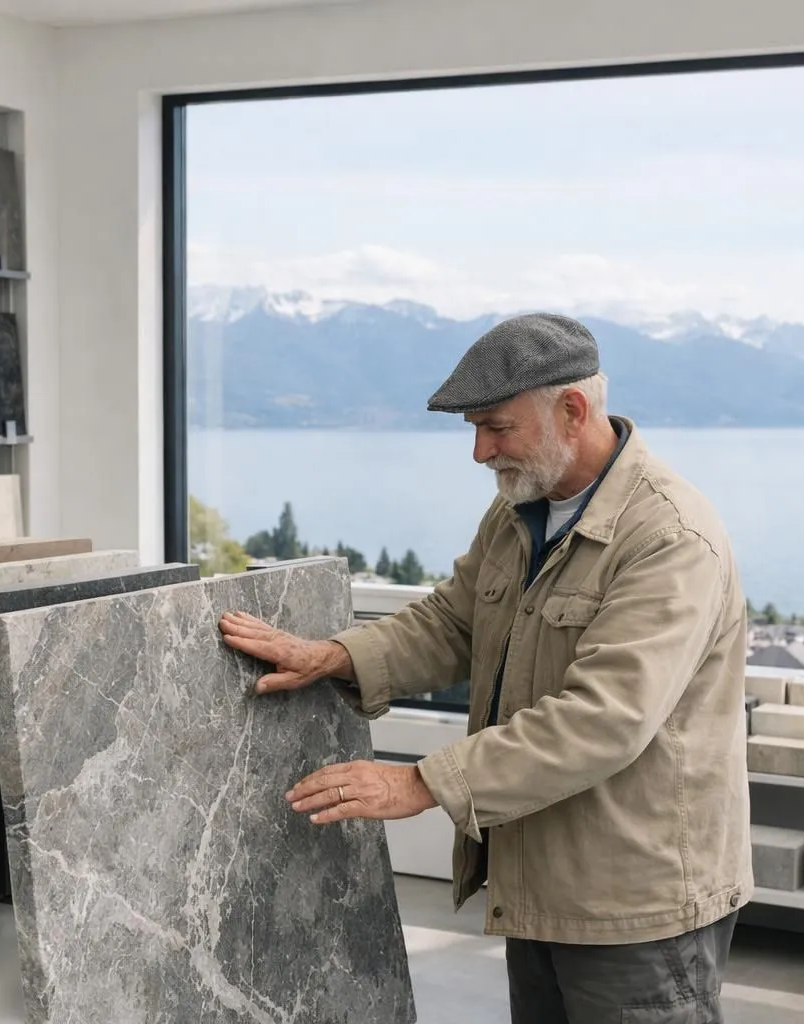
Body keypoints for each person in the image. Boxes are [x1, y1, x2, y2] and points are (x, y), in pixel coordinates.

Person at [219, 312, 752, 1024]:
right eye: (475, 429)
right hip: (537, 879)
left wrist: (422, 782)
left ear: (572, 410)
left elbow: (604, 719)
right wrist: (336, 656)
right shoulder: (520, 511)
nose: (479, 452)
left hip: (638, 902)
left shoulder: (670, 538)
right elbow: (453, 622)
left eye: (496, 428)